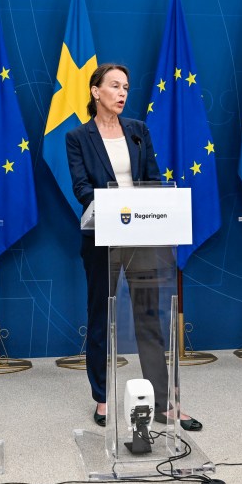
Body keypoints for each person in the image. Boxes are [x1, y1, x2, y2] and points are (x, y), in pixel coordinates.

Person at [66, 63, 202, 431]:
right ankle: (103, 398)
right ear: (96, 91)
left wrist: (144, 203)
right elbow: (81, 189)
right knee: (101, 317)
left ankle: (165, 403)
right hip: (102, 239)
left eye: (126, 86)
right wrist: (116, 203)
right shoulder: (78, 137)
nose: (122, 93)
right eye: (114, 86)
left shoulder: (139, 131)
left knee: (149, 319)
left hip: (143, 238)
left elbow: (154, 179)